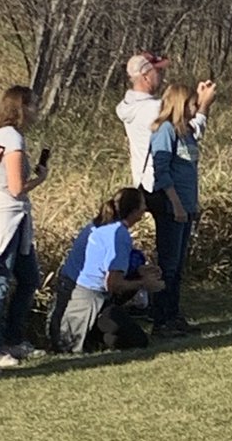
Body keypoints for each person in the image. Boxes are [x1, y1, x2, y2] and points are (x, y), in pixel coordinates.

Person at [57, 188, 165, 353]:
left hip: (78, 292)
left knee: (117, 331)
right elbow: (113, 284)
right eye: (143, 204)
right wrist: (145, 283)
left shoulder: (101, 224)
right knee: (138, 340)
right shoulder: (119, 235)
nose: (145, 209)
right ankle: (97, 333)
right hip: (92, 297)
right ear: (135, 210)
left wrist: (139, 269)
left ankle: (95, 334)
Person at [117, 51, 215, 212]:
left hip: (144, 182)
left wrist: (194, 101)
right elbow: (192, 133)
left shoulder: (127, 106)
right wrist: (203, 104)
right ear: (145, 76)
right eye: (158, 71)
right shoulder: (155, 109)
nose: (162, 76)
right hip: (167, 187)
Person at [149, 83, 209, 334]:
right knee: (169, 265)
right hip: (173, 208)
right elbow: (161, 171)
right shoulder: (165, 131)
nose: (196, 108)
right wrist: (175, 203)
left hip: (187, 206)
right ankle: (162, 319)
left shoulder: (185, 132)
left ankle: (174, 314)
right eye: (193, 103)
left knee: (178, 264)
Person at [0, 86, 48, 367]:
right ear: (21, 107)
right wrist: (40, 179)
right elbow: (16, 187)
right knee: (3, 282)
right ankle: (3, 344)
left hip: (15, 218)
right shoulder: (13, 139)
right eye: (33, 105)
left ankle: (14, 339)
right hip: (9, 217)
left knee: (28, 277)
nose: (36, 111)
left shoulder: (3, 135)